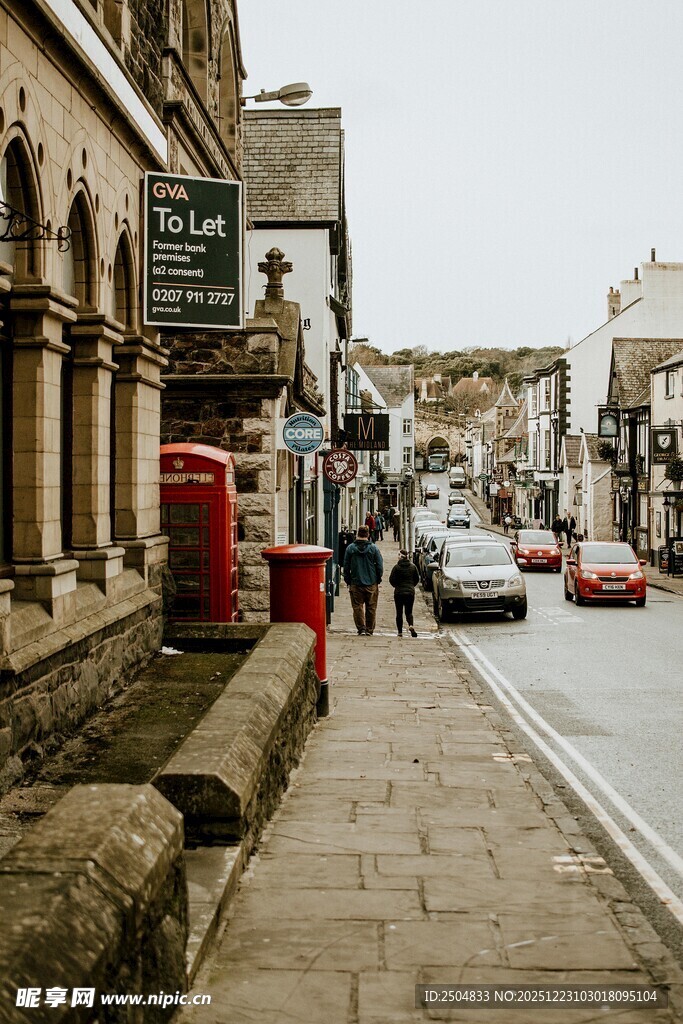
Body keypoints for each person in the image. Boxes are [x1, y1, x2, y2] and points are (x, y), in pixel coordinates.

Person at [343, 525, 384, 636]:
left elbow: (346, 566)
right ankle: (369, 629)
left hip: (356, 583)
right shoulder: (374, 548)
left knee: (357, 607)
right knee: (371, 607)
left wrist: (348, 580)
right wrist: (378, 579)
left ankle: (361, 628)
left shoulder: (351, 548)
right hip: (371, 582)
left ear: (357, 535)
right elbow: (380, 566)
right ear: (368, 535)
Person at [389, 549, 419, 638]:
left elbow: (391, 580)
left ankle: (400, 632)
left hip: (399, 592)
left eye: (398, 554)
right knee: (409, 611)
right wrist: (411, 586)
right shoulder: (413, 567)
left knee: (399, 612)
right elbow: (417, 579)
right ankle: (410, 625)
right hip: (410, 592)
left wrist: (396, 586)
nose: (397, 556)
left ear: (401, 556)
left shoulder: (396, 567)